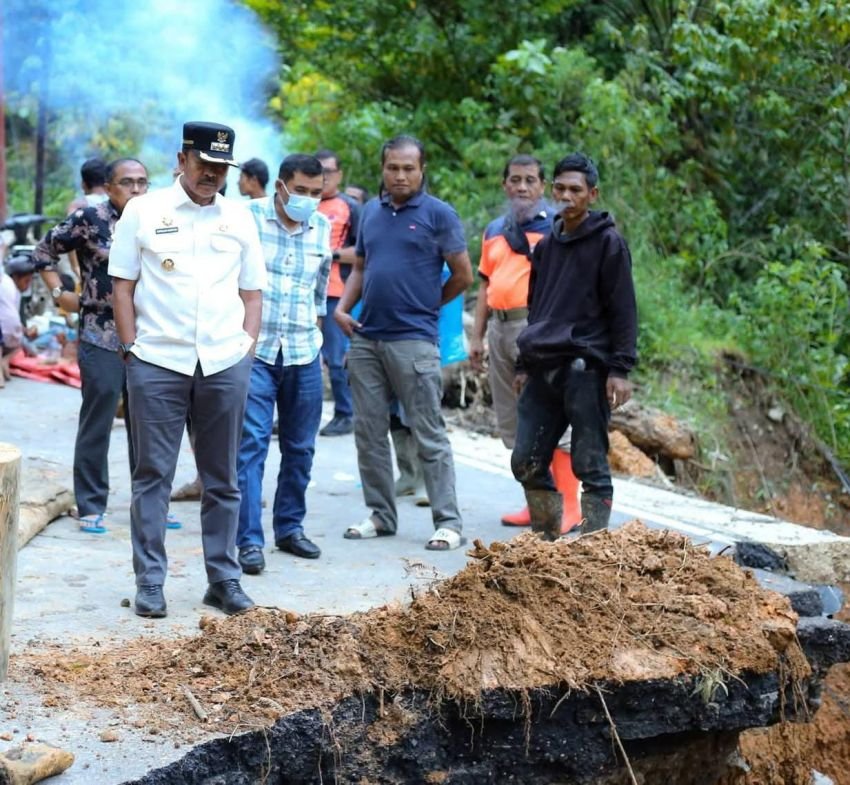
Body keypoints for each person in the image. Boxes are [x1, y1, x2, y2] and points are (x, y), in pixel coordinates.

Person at [109, 121, 267, 618]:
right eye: (204, 164)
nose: (212, 175)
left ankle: (223, 579)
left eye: (221, 167)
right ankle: (150, 583)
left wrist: (245, 350)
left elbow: (252, 293)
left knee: (222, 478)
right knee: (152, 476)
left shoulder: (239, 218)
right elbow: (122, 287)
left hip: (223, 362)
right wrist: (132, 349)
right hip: (157, 361)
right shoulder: (143, 211)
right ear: (182, 160)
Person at [334, 134, 473, 551]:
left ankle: (448, 522)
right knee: (369, 432)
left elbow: (463, 274)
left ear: (422, 170)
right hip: (366, 337)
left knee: (428, 431)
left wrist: (429, 305)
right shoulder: (371, 213)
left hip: (414, 341)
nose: (400, 175)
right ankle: (381, 515)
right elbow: (361, 268)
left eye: (408, 168)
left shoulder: (439, 215)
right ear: (383, 169)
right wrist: (343, 308)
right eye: (392, 167)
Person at [511, 153, 637, 539]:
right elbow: (537, 308)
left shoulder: (609, 244)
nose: (567, 196)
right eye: (561, 188)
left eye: (576, 190)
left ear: (592, 194)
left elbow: (624, 309)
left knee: (589, 462)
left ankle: (593, 546)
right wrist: (523, 363)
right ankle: (545, 539)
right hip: (543, 364)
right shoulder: (547, 246)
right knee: (526, 460)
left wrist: (620, 369)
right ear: (552, 190)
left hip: (586, 366)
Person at [33, 158, 156, 533]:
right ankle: (90, 503)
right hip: (101, 332)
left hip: (150, 333)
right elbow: (43, 251)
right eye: (127, 183)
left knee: (149, 424)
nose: (136, 190)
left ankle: (151, 504)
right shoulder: (90, 218)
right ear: (108, 186)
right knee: (98, 420)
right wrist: (60, 294)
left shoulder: (158, 218)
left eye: (142, 182)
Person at [469, 155, 580, 533]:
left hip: (538, 328)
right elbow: (485, 285)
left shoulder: (556, 228)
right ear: (504, 184)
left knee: (553, 414)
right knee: (515, 420)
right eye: (515, 179)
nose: (521, 187)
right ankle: (539, 503)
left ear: (542, 186)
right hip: (500, 329)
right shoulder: (494, 230)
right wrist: (477, 337)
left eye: (530, 180)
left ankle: (570, 507)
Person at [234, 154, 331, 575]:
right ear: (280, 187)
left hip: (303, 351)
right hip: (253, 352)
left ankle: (290, 527)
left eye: (316, 192)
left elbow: (319, 292)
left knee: (300, 447)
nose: (309, 199)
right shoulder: (246, 219)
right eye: (301, 191)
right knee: (250, 445)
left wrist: (319, 345)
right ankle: (248, 540)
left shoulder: (321, 227)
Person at [315, 149, 361, 437]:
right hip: (304, 293)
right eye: (318, 171)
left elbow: (363, 252)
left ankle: (346, 413)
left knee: (335, 357)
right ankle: (295, 415)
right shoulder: (304, 203)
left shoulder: (350, 207)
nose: (323, 177)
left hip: (337, 292)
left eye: (328, 172)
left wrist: (327, 254)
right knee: (299, 358)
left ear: (339, 175)